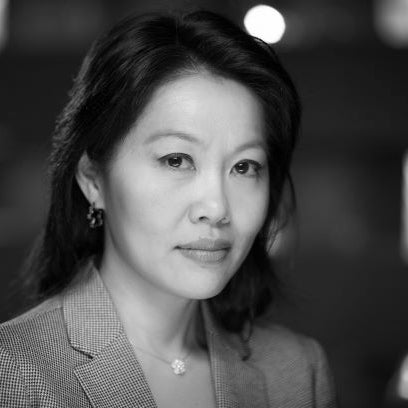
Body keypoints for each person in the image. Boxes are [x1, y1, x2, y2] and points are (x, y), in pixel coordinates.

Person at [0, 10, 337, 408]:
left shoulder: (297, 370)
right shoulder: (16, 373)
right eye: (176, 160)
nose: (216, 207)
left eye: (244, 167)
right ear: (93, 180)